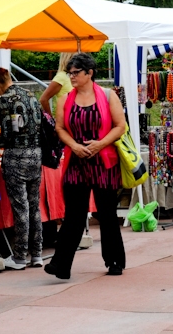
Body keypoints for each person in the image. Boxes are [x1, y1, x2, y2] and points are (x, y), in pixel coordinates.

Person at [47, 53, 128, 278]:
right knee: (73, 214)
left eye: (75, 73)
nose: (71, 77)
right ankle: (61, 265)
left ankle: (114, 261)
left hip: (104, 162)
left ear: (89, 73)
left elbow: (120, 126)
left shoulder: (108, 95)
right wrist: (73, 145)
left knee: (107, 214)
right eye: (69, 73)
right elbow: (60, 128)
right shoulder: (65, 99)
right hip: (76, 162)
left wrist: (99, 145)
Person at [0, 67, 45, 269]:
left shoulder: (5, 100)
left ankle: (19, 255)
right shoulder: (31, 95)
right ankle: (37, 253)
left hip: (16, 157)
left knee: (21, 207)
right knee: (34, 205)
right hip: (36, 155)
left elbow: (9, 134)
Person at [39, 52, 74, 117]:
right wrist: (51, 119)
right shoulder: (61, 77)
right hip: (65, 120)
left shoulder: (73, 76)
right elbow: (43, 99)